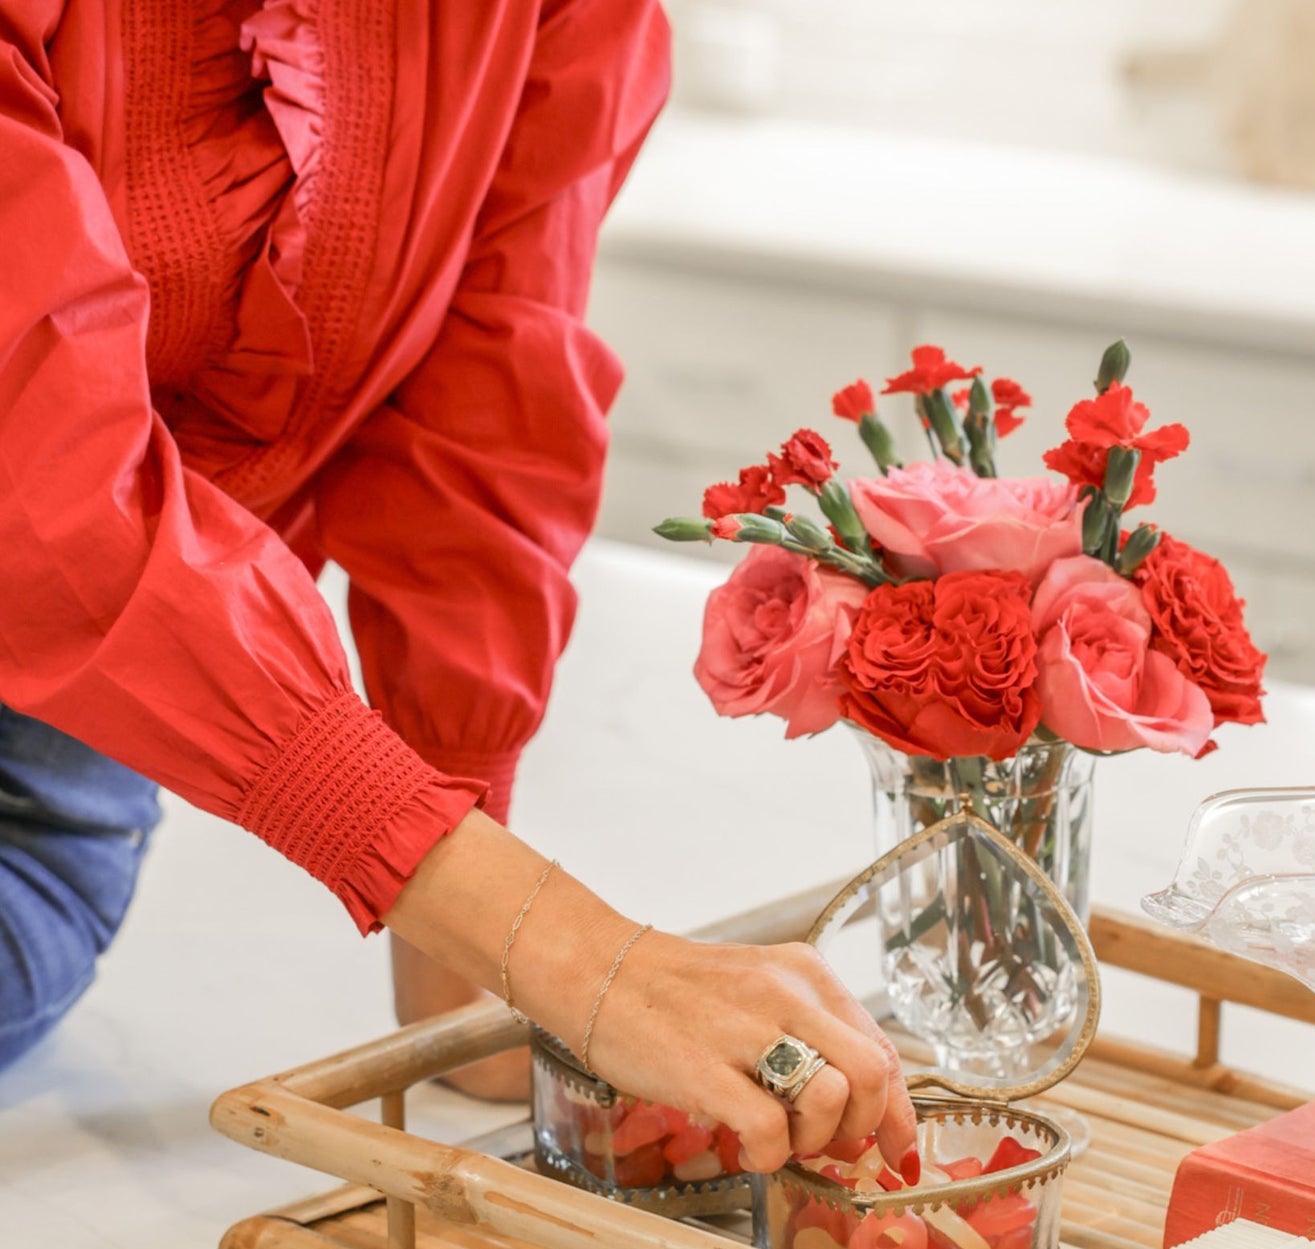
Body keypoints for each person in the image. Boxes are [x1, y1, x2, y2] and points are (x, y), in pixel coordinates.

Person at [0, 0, 919, 1180]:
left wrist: (478, 993)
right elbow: (35, 468)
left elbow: (486, 375)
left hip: (58, 780)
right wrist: (568, 951)